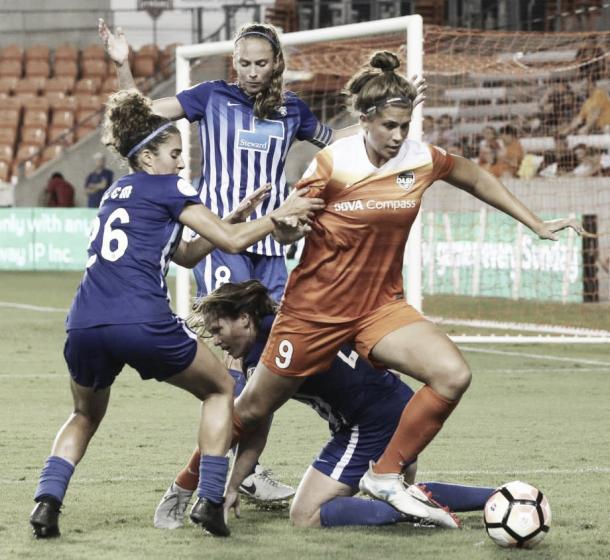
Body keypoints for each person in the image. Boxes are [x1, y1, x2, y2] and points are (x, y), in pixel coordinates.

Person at [221, 51, 587, 527]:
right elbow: (291, 229)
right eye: (390, 125)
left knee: (453, 375)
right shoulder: (334, 163)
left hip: (380, 308)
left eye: (405, 125)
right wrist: (286, 227)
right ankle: (196, 485)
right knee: (253, 410)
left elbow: (473, 176)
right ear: (365, 120)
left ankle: (387, 474)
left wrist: (533, 222)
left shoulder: (420, 157)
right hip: (318, 311)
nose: (399, 136)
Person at [28, 89, 323, 540]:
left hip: (84, 321)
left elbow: (184, 255)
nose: (182, 163)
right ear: (148, 158)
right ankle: (208, 499)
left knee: (84, 415)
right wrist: (276, 215)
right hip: (141, 319)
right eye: (174, 153)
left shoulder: (113, 192)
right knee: (222, 388)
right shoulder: (170, 186)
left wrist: (233, 215)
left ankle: (47, 504)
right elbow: (233, 242)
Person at [98, 19, 425, 301]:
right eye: (245, 64)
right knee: (235, 331)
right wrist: (121, 64)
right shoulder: (211, 95)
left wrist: (388, 109)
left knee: (267, 336)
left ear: (276, 63)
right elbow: (143, 112)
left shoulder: (293, 108)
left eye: (261, 64)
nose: (252, 73)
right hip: (219, 231)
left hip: (272, 236)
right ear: (235, 62)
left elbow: (334, 138)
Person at [156, 280, 497, 530]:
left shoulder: (271, 350)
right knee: (393, 491)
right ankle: (496, 497)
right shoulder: (277, 331)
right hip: (394, 408)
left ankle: (417, 514)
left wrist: (225, 487)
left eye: (218, 329)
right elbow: (258, 423)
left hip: (371, 424)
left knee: (306, 515)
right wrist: (232, 485)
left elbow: (253, 423)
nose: (216, 340)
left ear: (244, 318)